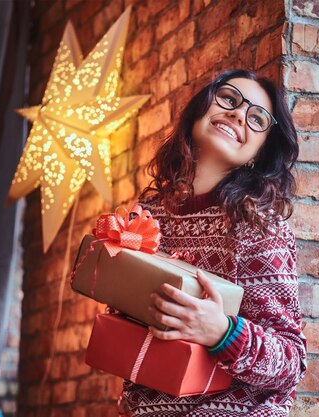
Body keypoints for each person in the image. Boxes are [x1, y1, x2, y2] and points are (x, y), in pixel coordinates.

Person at [118, 69, 306, 417]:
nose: (238, 114)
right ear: (200, 110)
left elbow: (291, 363)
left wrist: (222, 332)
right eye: (230, 100)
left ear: (257, 153)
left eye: (257, 118)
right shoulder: (146, 216)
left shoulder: (258, 225)